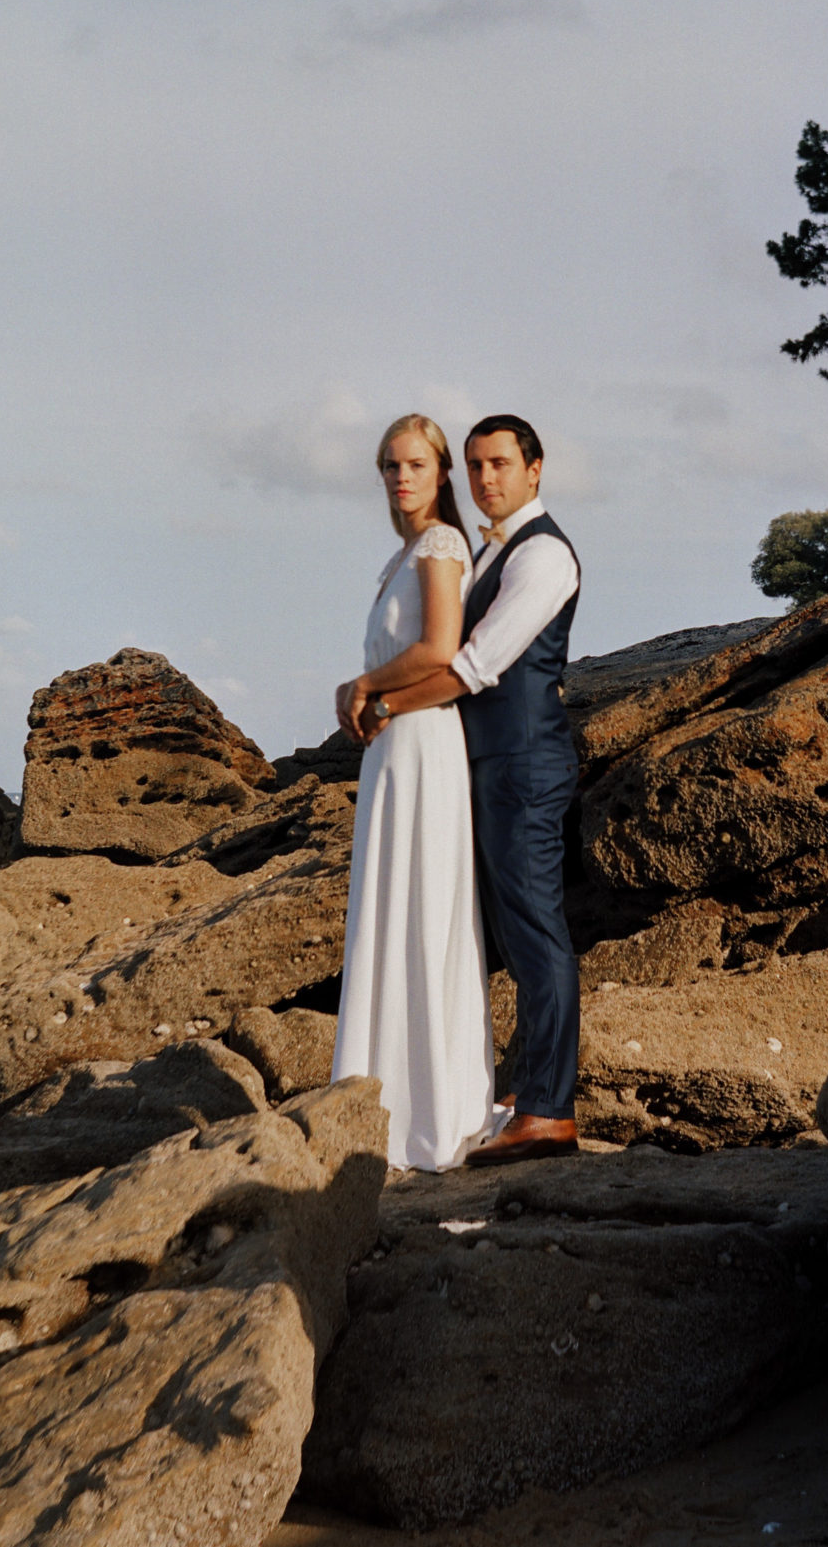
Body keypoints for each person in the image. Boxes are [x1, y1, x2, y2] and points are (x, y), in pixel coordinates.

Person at [358, 414, 582, 1166]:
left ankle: (549, 1109)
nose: (487, 478)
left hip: (524, 764)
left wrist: (384, 702)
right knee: (510, 936)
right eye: (478, 465)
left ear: (535, 468)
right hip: (484, 766)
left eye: (501, 464)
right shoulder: (489, 550)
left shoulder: (544, 554)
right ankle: (525, 1089)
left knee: (537, 932)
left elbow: (474, 664)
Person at [329, 414, 499, 1170]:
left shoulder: (441, 545)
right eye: (392, 465)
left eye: (418, 465)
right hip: (393, 749)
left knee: (424, 910)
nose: (403, 477)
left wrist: (366, 684)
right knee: (387, 912)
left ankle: (431, 1108)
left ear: (441, 477)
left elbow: (440, 646)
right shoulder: (400, 555)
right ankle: (384, 1094)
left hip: (425, 746)